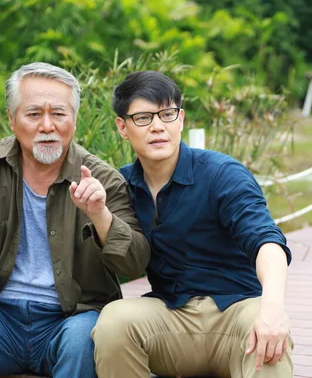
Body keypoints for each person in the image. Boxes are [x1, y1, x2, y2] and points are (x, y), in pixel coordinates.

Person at [0, 62, 150, 378]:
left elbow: (135, 263)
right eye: (33, 114)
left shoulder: (103, 179)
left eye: (58, 114)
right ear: (12, 119)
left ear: (74, 119)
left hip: (71, 319)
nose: (47, 125)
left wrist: (100, 214)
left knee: (86, 342)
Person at [92, 71, 294, 377]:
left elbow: (267, 241)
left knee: (266, 338)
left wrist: (273, 307)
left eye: (167, 114)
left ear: (181, 118)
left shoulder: (221, 173)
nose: (158, 126)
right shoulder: (122, 186)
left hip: (236, 312)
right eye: (144, 117)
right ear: (122, 126)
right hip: (171, 318)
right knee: (114, 321)